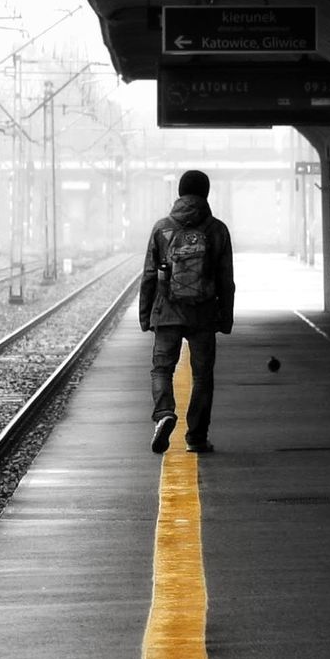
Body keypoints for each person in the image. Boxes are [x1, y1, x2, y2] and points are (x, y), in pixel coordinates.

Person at [139, 169, 235, 454]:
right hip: (203, 314)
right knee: (202, 376)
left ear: (179, 193)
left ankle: (165, 413)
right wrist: (225, 317)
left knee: (162, 369)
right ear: (206, 194)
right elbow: (225, 279)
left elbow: (148, 276)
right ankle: (196, 437)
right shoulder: (217, 230)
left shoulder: (162, 228)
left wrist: (145, 315)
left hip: (167, 312)